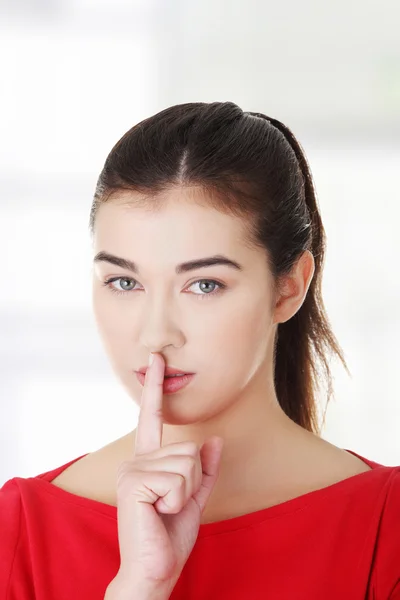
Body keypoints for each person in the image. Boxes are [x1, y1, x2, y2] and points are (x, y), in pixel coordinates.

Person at [1, 101, 399, 599]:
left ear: (288, 288)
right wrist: (137, 588)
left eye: (204, 285)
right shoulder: (22, 531)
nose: (155, 334)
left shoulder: (386, 529)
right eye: (124, 281)